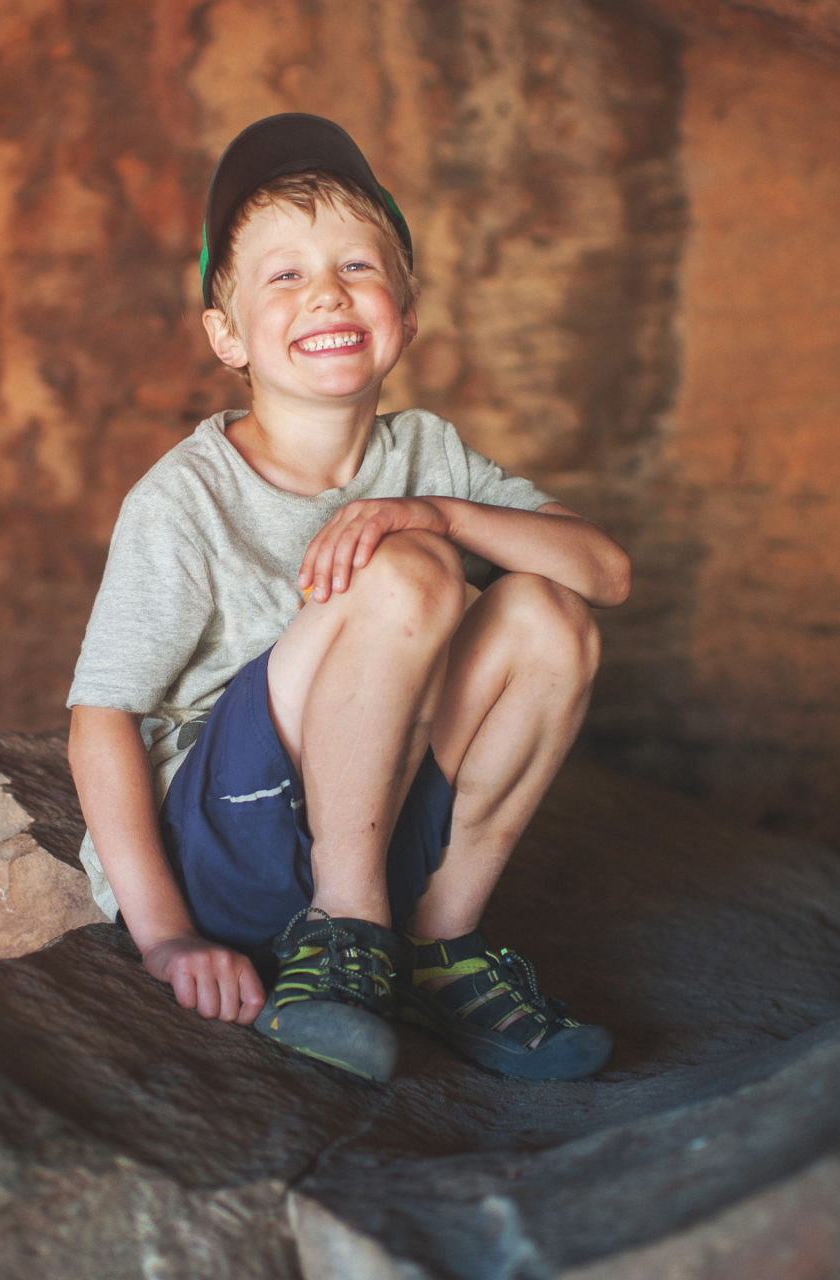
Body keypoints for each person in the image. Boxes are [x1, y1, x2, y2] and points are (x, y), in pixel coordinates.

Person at [67, 113, 631, 1083]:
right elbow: (99, 718)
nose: (325, 289)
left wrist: (441, 513)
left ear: (404, 317)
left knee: (549, 613)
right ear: (226, 335)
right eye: (282, 273)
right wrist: (161, 936)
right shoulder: (185, 496)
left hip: (378, 816)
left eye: (358, 267)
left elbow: (604, 571)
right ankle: (346, 926)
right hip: (226, 853)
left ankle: (437, 944)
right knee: (408, 569)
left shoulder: (425, 456)